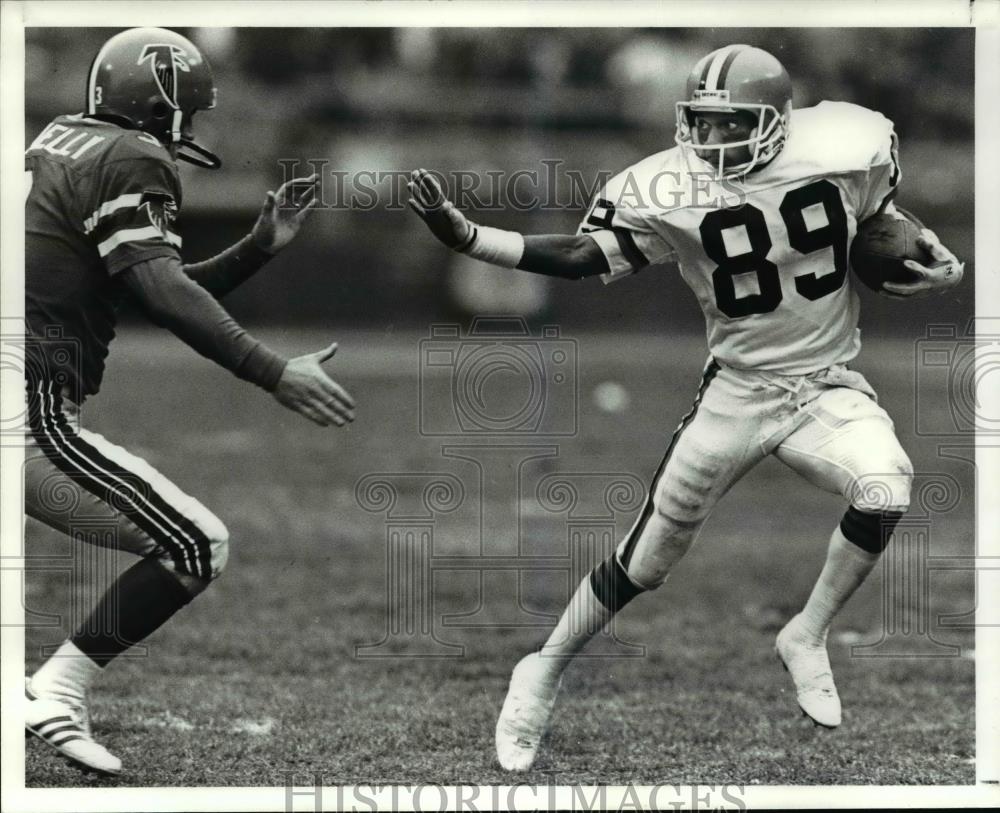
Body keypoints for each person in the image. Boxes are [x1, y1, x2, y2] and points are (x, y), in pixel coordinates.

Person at [408, 43, 964, 771]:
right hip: (736, 388)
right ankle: (540, 669)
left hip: (826, 383)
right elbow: (584, 256)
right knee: (648, 558)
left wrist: (936, 260)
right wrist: (474, 238)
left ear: (780, 120)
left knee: (888, 483)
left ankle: (807, 632)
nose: (711, 141)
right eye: (701, 123)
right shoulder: (663, 186)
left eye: (731, 124)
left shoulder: (850, 143)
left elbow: (883, 219)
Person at [23, 27, 355, 776]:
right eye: (191, 110)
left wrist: (258, 247)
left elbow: (145, 285)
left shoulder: (63, 141)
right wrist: (271, 370)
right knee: (196, 543)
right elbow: (164, 293)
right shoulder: (133, 155)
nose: (194, 126)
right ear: (163, 104)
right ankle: (54, 690)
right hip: (25, 403)